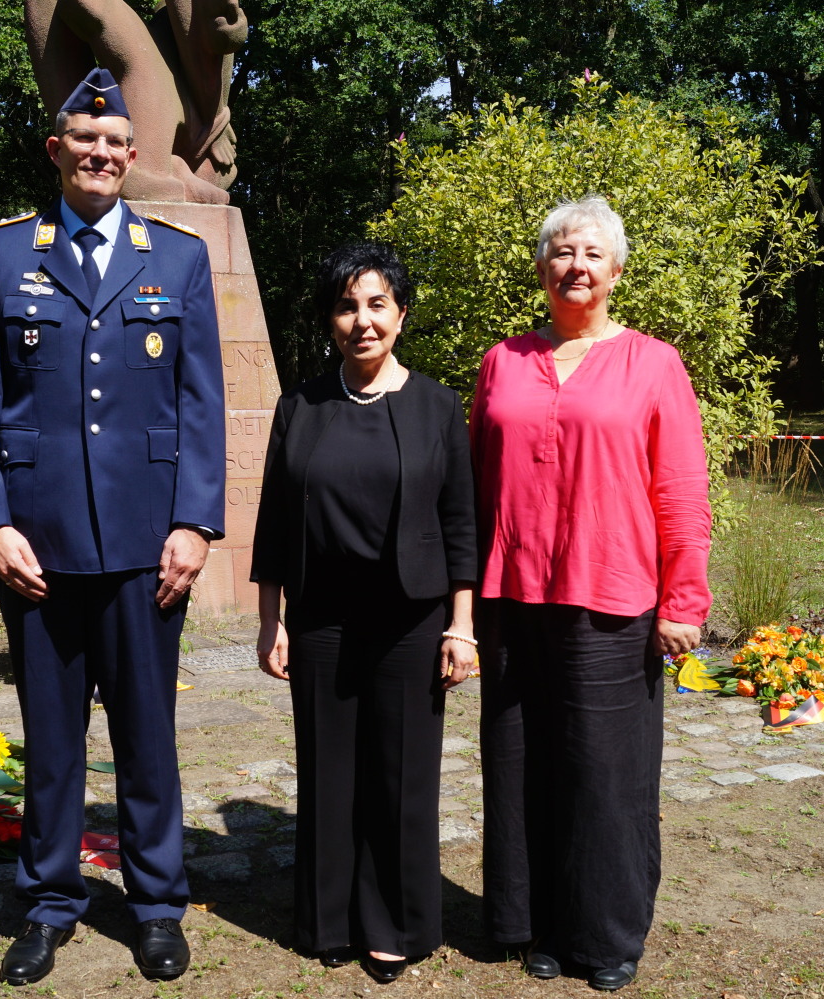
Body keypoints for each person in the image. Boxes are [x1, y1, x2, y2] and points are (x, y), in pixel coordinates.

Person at [0, 67, 225, 987]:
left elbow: (200, 407)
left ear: (132, 157)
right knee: (54, 738)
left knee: (148, 735)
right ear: (57, 150)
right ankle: (51, 901)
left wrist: (195, 524)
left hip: (150, 544)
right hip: (37, 546)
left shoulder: (178, 257)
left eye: (115, 143)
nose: (102, 153)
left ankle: (155, 905)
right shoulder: (0, 256)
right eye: (85, 139)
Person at [470, 195, 711, 992]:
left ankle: (606, 933)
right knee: (522, 765)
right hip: (512, 596)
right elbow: (473, 487)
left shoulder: (655, 363)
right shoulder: (502, 360)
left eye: (592, 254)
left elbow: (679, 490)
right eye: (562, 252)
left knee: (606, 772)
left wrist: (684, 600)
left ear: (615, 271)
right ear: (542, 268)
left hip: (613, 596)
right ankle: (536, 921)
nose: (576, 266)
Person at [250, 243, 477, 985]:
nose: (362, 320)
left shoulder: (439, 406)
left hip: (411, 618)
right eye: (347, 306)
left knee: (401, 774)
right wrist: (270, 616)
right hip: (320, 618)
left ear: (401, 313)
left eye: (377, 303)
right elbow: (276, 523)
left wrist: (461, 622)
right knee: (327, 771)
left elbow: (460, 523)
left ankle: (395, 922)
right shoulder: (301, 405)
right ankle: (328, 918)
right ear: (330, 320)